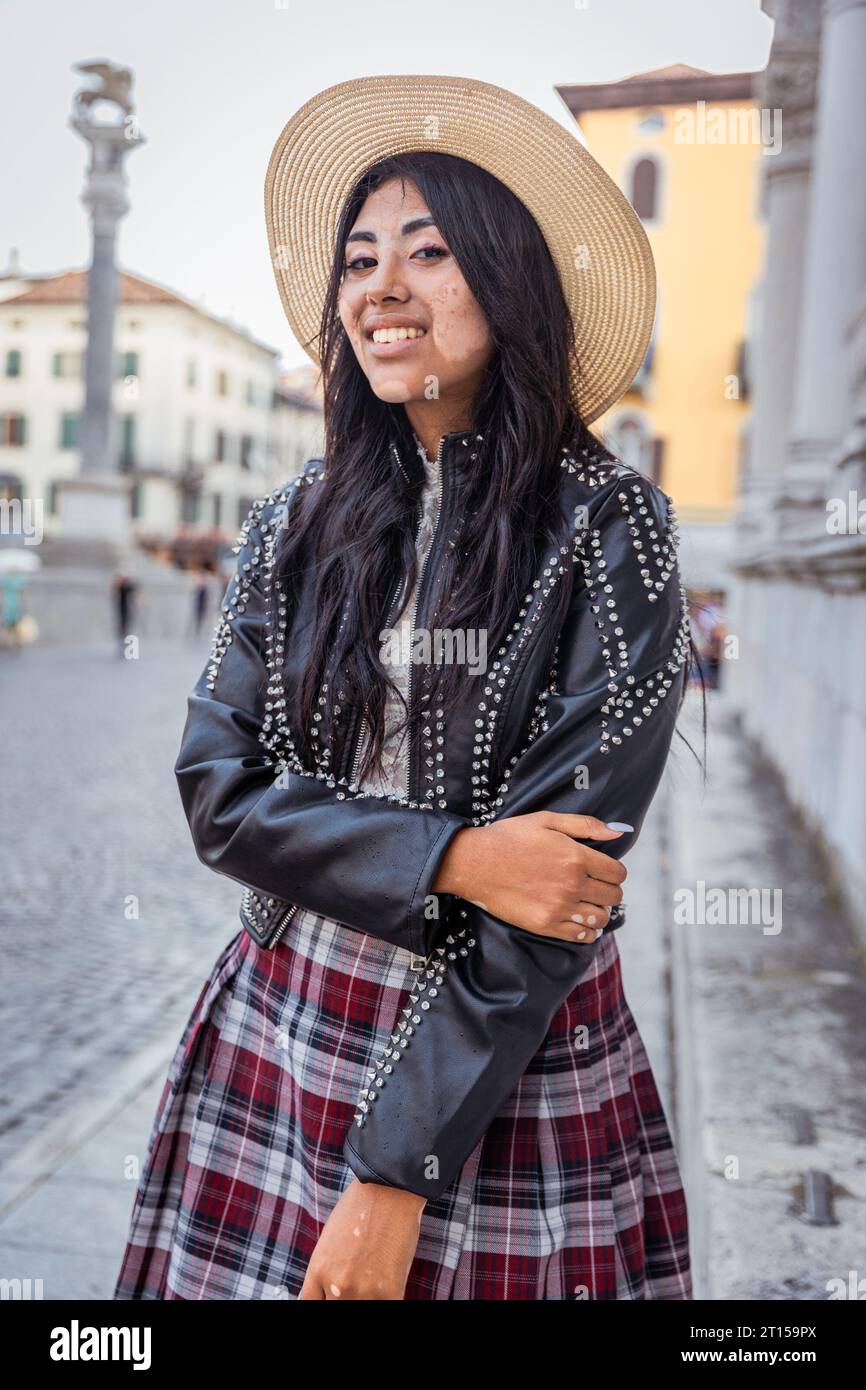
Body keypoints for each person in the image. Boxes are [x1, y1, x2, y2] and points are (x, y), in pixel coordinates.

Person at [114, 75, 695, 1302]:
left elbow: (555, 886)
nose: (379, 289)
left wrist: (391, 1177)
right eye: (359, 259)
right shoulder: (289, 523)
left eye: (427, 255)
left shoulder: (608, 528)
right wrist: (450, 856)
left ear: (508, 279)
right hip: (282, 1014)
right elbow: (220, 793)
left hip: (499, 1045)